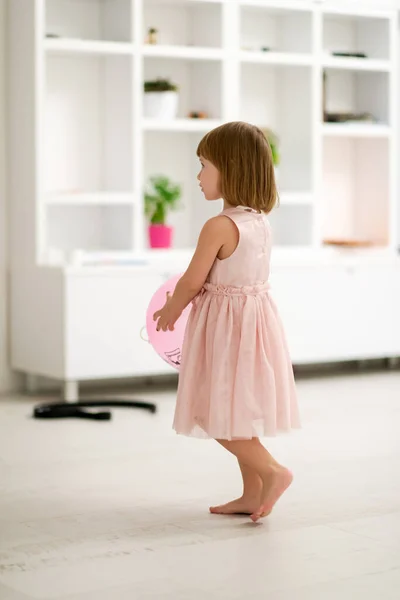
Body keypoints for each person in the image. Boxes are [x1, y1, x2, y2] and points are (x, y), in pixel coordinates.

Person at [153, 121, 300, 522]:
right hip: (255, 328)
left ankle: (272, 471)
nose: (198, 176)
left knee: (210, 409)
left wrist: (170, 310)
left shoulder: (219, 226)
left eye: (204, 165)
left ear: (230, 169)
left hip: (225, 331)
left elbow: (191, 281)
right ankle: (252, 493)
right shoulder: (260, 223)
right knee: (238, 410)